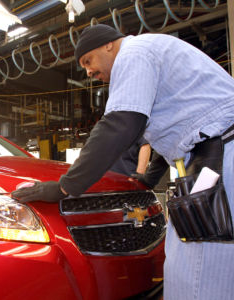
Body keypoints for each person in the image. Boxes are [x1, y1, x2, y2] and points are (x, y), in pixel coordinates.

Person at [12, 24, 234, 300]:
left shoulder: (134, 53)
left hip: (220, 158)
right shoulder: (153, 52)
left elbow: (120, 124)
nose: (88, 72)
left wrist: (64, 188)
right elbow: (179, 134)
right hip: (212, 155)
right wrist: (149, 180)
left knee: (199, 271)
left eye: (88, 61)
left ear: (108, 45)